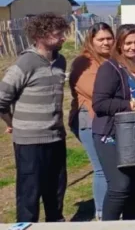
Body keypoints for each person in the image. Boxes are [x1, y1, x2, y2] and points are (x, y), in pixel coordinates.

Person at [0, 13, 69, 223]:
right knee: (29, 193)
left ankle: (55, 224)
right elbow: (2, 98)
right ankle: (25, 226)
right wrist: (12, 124)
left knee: (56, 190)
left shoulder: (60, 61)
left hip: (56, 137)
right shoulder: (25, 62)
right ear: (40, 36)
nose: (63, 38)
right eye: (59, 34)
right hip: (30, 141)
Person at [92, 24, 135, 220]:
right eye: (128, 43)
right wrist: (134, 105)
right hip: (111, 134)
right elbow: (100, 103)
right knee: (120, 187)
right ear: (119, 44)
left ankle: (130, 224)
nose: (133, 46)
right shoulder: (110, 68)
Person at [69, 22, 114, 221]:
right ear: (91, 40)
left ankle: (113, 207)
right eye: (101, 39)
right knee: (101, 168)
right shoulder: (83, 62)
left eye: (109, 38)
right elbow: (96, 92)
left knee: (112, 166)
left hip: (110, 120)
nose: (106, 43)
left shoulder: (112, 59)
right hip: (90, 120)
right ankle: (102, 213)